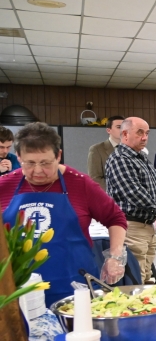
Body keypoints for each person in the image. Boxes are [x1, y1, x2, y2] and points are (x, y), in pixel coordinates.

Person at [0, 123, 128, 305]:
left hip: (75, 286)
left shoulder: (80, 184)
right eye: (29, 163)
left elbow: (115, 218)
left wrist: (115, 257)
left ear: (58, 156)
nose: (37, 170)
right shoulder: (3, 186)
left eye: (45, 163)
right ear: (19, 157)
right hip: (18, 290)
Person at [104, 117, 156, 283]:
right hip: (132, 228)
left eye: (147, 133)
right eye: (140, 133)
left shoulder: (141, 158)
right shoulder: (120, 159)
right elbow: (133, 193)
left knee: (146, 276)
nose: (145, 137)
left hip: (148, 227)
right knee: (135, 281)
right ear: (125, 134)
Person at [86, 115, 124, 190]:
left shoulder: (132, 149)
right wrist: (117, 191)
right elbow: (95, 178)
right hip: (109, 195)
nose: (123, 130)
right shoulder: (97, 149)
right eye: (119, 127)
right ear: (108, 130)